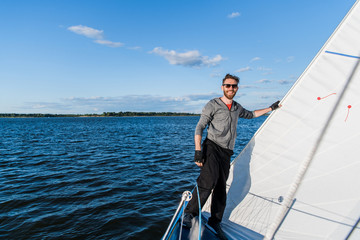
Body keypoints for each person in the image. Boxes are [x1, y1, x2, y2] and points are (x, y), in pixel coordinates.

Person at [183, 73, 280, 240]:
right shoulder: (213, 104)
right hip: (211, 147)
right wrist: (198, 151)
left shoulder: (236, 107)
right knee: (209, 180)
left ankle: (215, 221)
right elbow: (199, 127)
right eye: (228, 85)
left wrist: (271, 108)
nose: (231, 88)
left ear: (237, 88)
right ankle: (189, 213)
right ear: (222, 87)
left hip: (226, 152)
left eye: (234, 86)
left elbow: (252, 114)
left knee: (221, 187)